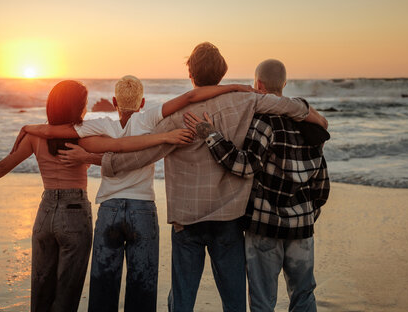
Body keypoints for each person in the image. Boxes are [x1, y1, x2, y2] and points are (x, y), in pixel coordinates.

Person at [61, 43, 328, 312]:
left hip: (187, 218)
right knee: (234, 302)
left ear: (190, 74)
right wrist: (318, 120)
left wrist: (96, 161)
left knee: (182, 301)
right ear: (222, 73)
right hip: (229, 217)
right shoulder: (248, 101)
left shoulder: (178, 116)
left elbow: (142, 154)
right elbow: (289, 106)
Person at [17, 75, 256, 312]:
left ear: (113, 101)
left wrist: (29, 127)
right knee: (142, 287)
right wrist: (234, 86)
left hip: (109, 210)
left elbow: (57, 130)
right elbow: (191, 96)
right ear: (142, 103)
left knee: (103, 289)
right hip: (142, 209)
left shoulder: (100, 124)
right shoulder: (150, 118)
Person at [0, 80, 194, 312]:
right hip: (75, 213)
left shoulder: (34, 136)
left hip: (45, 212)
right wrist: (163, 138)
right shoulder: (82, 138)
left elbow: (2, 166)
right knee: (68, 290)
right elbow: (121, 150)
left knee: (40, 285)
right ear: (78, 108)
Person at [184, 59, 330, 312]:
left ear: (258, 84)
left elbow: (245, 165)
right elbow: (321, 185)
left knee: (263, 302)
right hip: (303, 228)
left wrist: (210, 134)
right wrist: (306, 215)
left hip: (265, 227)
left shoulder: (264, 121)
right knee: (304, 294)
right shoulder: (311, 126)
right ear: (284, 84)